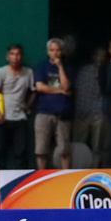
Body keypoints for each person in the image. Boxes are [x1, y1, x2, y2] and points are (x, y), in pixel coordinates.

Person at [0, 44, 34, 169]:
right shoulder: (1, 72)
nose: (15, 57)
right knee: (0, 152)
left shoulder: (28, 72)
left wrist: (28, 105)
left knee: (21, 152)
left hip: (20, 117)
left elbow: (34, 90)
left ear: (22, 56)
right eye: (12, 54)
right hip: (2, 118)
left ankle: (24, 179)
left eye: (18, 54)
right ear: (7, 56)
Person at [34, 38, 74, 170]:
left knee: (64, 150)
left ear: (61, 52)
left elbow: (66, 87)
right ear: (48, 51)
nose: (55, 53)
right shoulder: (41, 66)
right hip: (44, 112)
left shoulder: (67, 68)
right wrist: (60, 91)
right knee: (41, 150)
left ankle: (64, 176)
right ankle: (41, 175)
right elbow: (40, 87)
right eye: (52, 50)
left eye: (57, 50)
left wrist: (60, 67)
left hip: (63, 114)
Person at [72, 49, 108, 167]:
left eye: (103, 56)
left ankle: (95, 170)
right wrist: (79, 110)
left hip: (99, 114)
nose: (100, 58)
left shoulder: (107, 71)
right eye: (98, 55)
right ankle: (78, 170)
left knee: (97, 147)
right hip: (82, 113)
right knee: (79, 146)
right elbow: (77, 91)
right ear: (94, 56)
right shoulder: (84, 71)